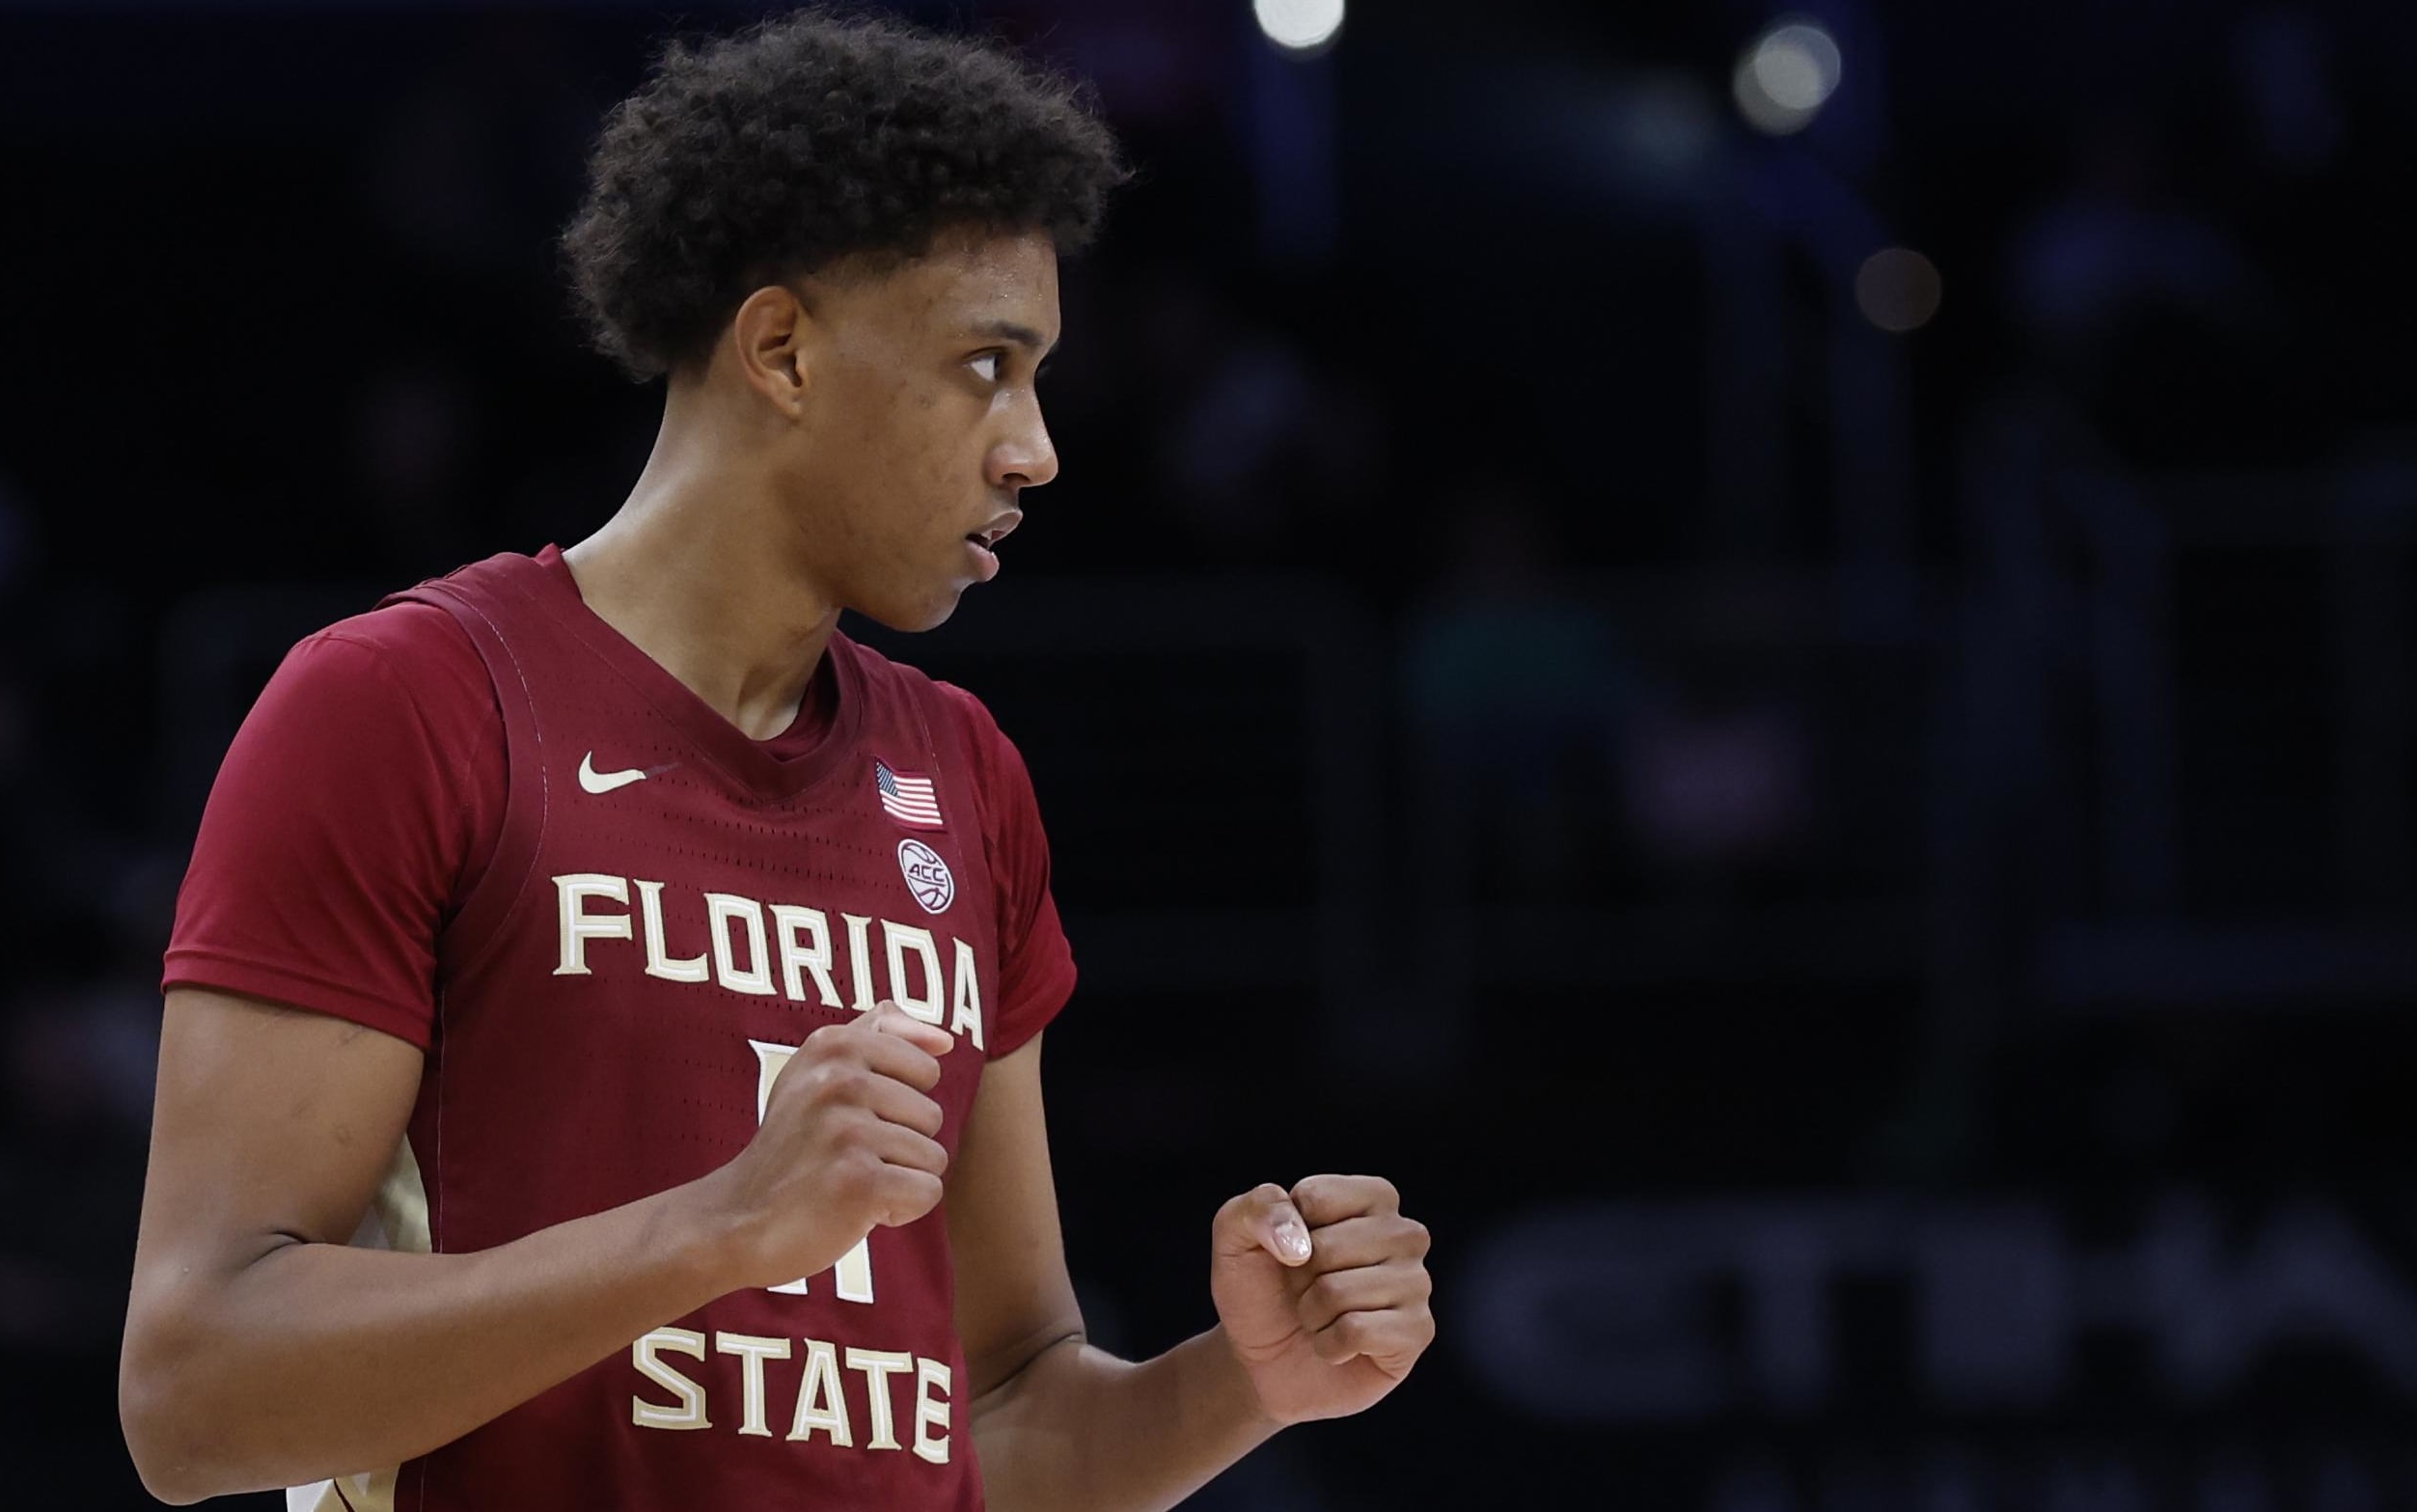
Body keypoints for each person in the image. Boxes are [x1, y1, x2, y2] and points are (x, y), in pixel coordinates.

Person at [116, 13, 1435, 1509]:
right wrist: (716, 1229)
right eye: (986, 367)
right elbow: (192, 1390)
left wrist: (1244, 1382)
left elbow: (996, 1419)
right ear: (781, 349)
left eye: (1042, 374)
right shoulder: (405, 704)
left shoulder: (965, 773)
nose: (1036, 448)